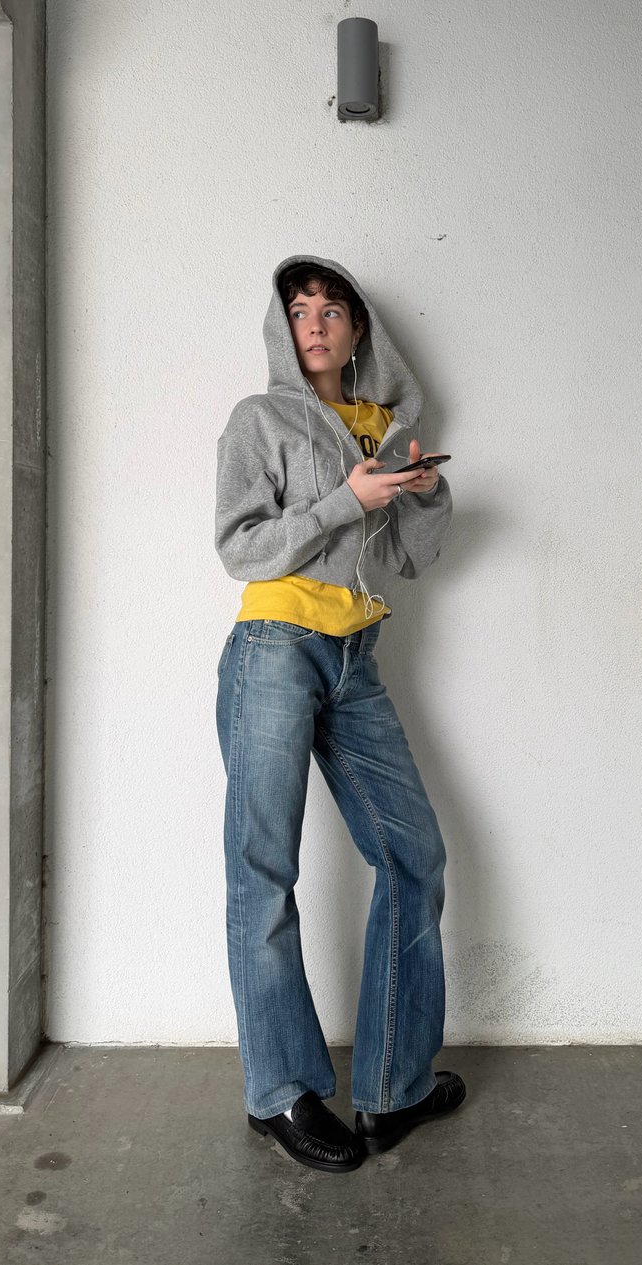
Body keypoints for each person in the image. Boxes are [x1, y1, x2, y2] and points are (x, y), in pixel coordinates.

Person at [214, 254, 465, 1174]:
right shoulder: (260, 420)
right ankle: (277, 1090)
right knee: (263, 867)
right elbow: (241, 547)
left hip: (357, 658)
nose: (315, 322)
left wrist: (424, 492)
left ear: (361, 330)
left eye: (332, 309)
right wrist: (340, 498)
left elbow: (407, 557)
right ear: (283, 330)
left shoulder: (385, 430)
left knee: (414, 855)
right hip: (274, 649)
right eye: (299, 309)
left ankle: (394, 1088)